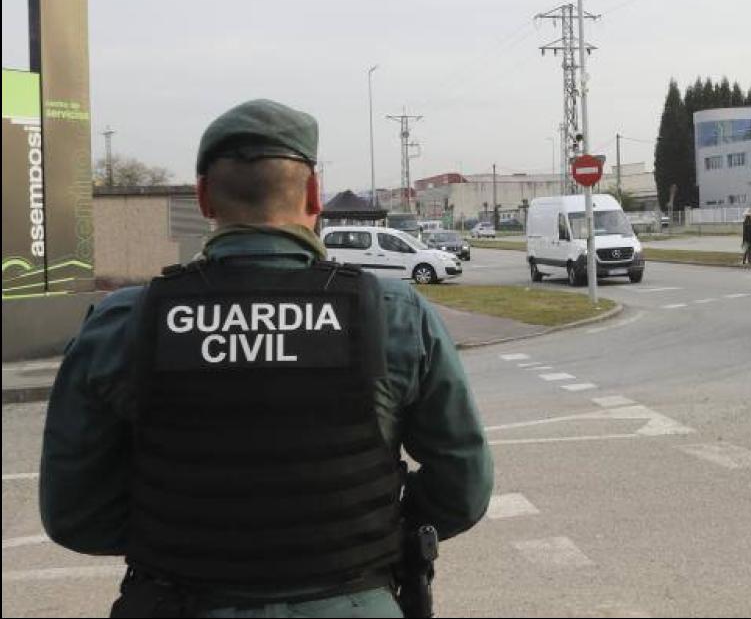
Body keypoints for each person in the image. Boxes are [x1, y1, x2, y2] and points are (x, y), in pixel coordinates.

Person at [40, 99, 494, 618]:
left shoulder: (125, 323)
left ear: (205, 198)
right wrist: (369, 531)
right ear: (315, 194)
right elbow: (462, 485)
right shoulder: (393, 313)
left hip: (175, 598)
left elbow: (74, 513)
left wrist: (181, 540)